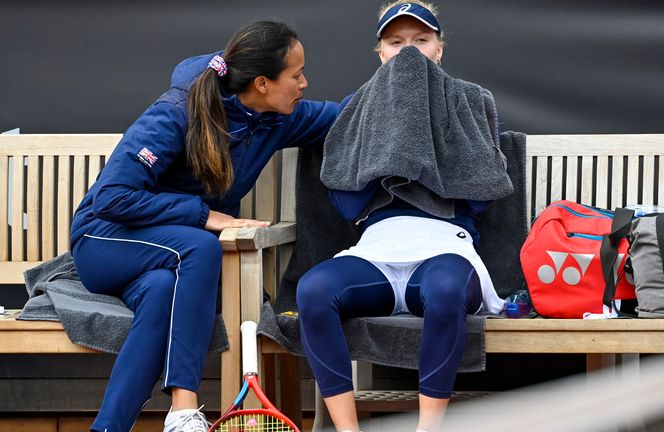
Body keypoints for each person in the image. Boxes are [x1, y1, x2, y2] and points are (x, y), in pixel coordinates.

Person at [70, 20, 340, 432]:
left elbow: (349, 112)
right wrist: (204, 215)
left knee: (162, 292)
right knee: (199, 246)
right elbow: (112, 197)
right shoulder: (176, 113)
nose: (305, 83)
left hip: (160, 264)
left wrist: (405, 71)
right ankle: (183, 408)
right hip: (103, 239)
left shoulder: (275, 119)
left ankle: (107, 428)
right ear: (263, 83)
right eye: (296, 74)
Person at [296, 2, 507, 432]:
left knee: (447, 289)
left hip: (445, 248)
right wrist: (388, 159)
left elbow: (482, 196)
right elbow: (346, 202)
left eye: (420, 41)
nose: (408, 53)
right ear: (380, 53)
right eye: (396, 43)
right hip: (376, 249)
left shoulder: (470, 99)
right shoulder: (360, 106)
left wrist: (426, 163)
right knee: (314, 289)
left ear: (439, 50)